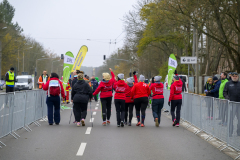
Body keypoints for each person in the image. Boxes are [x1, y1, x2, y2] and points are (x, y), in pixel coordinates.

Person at [223, 72, 240, 136]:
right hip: (231, 104)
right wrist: (228, 99)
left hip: (239, 105)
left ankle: (239, 132)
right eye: (233, 76)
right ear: (231, 77)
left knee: (239, 119)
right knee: (230, 119)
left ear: (238, 77)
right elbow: (225, 92)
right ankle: (230, 132)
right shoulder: (228, 84)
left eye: (236, 76)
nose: (235, 77)